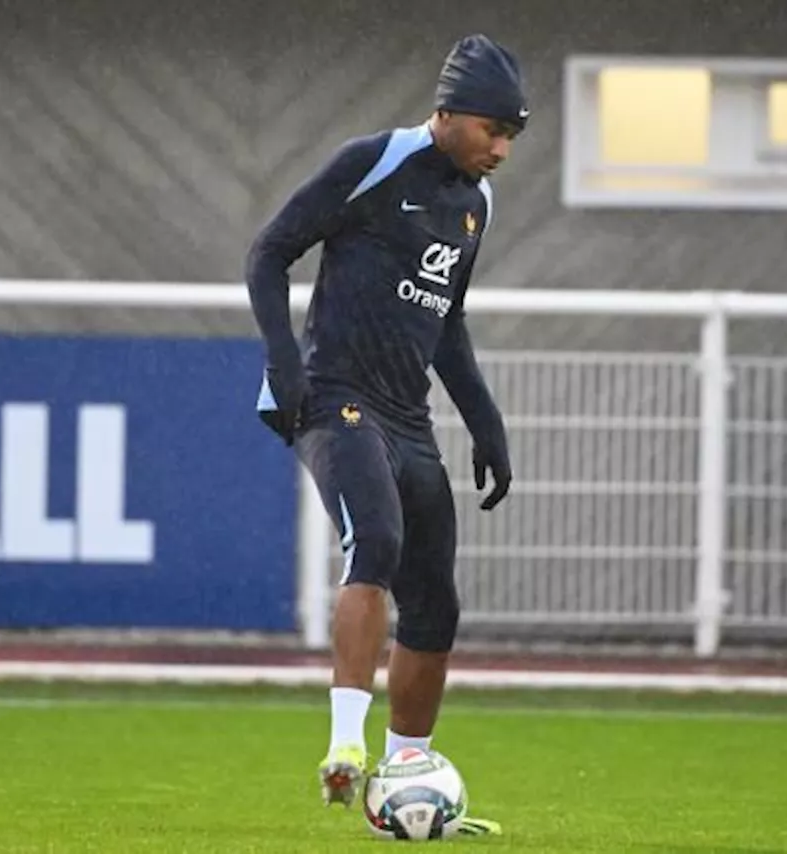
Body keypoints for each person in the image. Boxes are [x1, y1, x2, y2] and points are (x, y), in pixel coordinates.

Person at [245, 33, 527, 835]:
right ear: (446, 113)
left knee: (435, 600)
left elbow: (449, 322)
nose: (502, 149)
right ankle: (345, 751)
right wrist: (283, 362)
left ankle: (404, 773)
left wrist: (487, 424)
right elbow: (268, 254)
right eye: (492, 130)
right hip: (333, 396)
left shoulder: (477, 201)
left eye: (513, 136)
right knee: (376, 536)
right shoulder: (373, 161)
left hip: (407, 415)